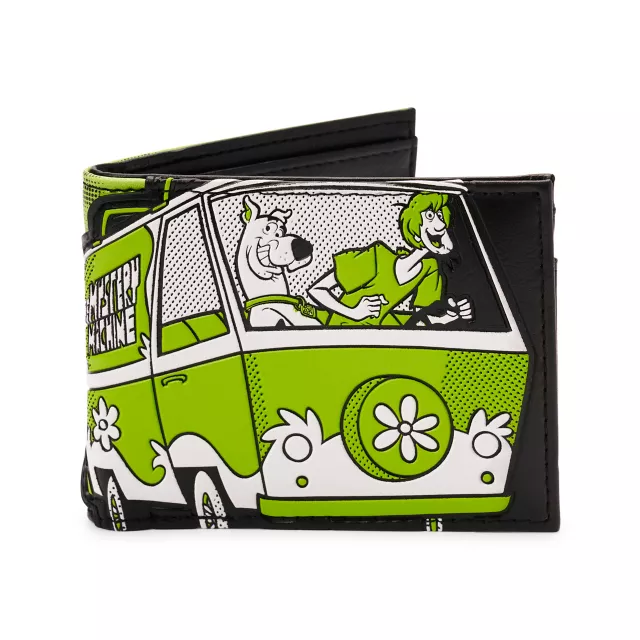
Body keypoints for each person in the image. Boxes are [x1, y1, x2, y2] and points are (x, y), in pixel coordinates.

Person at [308, 192, 473, 327]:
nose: (439, 224)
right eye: (430, 215)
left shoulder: (429, 268)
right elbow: (317, 289)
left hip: (380, 335)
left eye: (440, 216)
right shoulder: (377, 256)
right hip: (342, 329)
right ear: (414, 226)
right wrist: (354, 313)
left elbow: (419, 322)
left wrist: (447, 319)